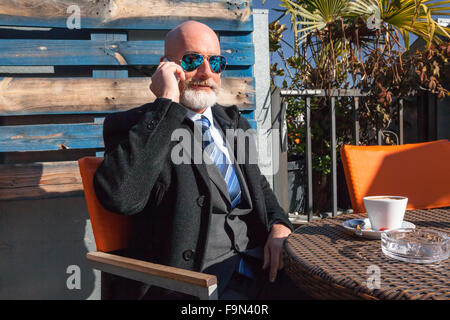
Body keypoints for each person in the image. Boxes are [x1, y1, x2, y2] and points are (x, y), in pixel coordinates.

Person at [93, 20, 307, 300]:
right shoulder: (136, 125)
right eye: (193, 60)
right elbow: (122, 196)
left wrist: (279, 225)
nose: (206, 72)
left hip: (258, 270)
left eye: (215, 62)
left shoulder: (234, 125)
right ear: (165, 66)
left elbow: (261, 191)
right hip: (190, 283)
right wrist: (167, 102)